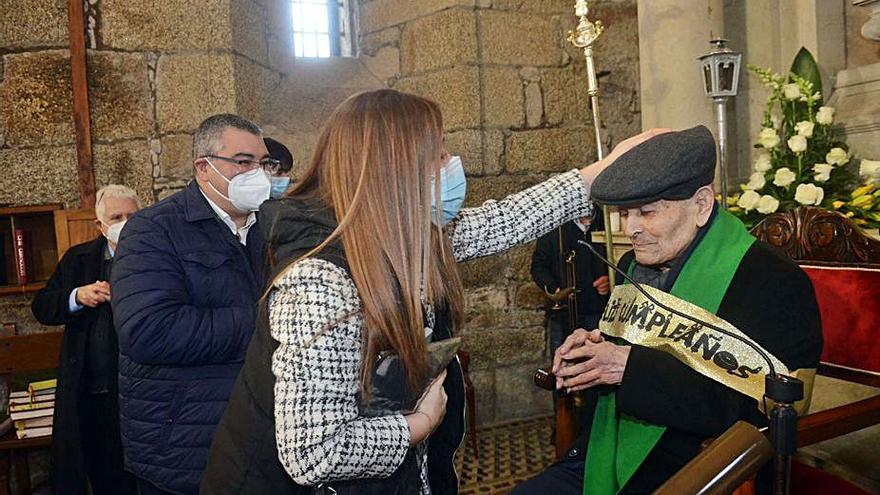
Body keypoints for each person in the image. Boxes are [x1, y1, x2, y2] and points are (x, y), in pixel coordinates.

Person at [201, 89, 660, 494]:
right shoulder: (320, 281)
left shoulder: (407, 237)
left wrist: (599, 173)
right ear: (395, 170)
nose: (451, 166)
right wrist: (418, 426)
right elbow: (313, 453)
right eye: (439, 155)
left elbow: (508, 220)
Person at [512, 125, 823, 495]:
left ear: (702, 205)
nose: (631, 229)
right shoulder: (630, 265)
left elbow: (764, 410)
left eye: (646, 213)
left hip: (700, 465)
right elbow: (624, 344)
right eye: (624, 214)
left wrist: (626, 368)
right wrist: (593, 346)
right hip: (608, 448)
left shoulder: (772, 281)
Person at [111, 114, 278, 494]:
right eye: (244, 162)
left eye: (263, 163)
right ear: (204, 168)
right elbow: (148, 331)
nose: (259, 174)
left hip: (260, 439)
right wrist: (269, 323)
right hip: (185, 446)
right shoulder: (153, 230)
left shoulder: (271, 227)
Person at [31, 184, 140, 495]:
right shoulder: (77, 260)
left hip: (143, 391)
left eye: (132, 216)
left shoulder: (158, 255)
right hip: (96, 392)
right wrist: (77, 296)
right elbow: (42, 307)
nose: (125, 223)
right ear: (100, 225)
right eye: (117, 217)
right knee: (105, 476)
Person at [531, 216, 611, 362]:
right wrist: (556, 290)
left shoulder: (606, 220)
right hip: (563, 314)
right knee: (563, 363)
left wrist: (610, 280)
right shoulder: (554, 226)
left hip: (599, 310)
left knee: (598, 364)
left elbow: (620, 260)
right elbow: (538, 267)